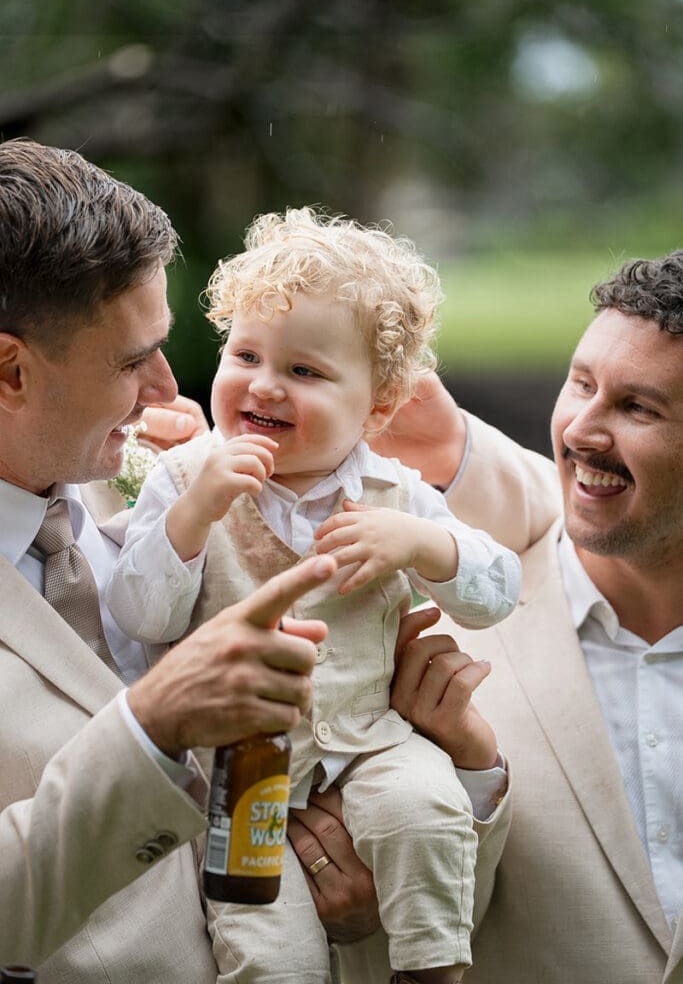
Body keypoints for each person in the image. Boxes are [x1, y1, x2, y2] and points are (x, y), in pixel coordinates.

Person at [106, 207, 521, 984]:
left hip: (372, 743)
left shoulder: (392, 491)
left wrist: (425, 545)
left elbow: (495, 592)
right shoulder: (184, 478)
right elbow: (142, 616)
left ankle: (432, 971)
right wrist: (193, 517)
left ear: (379, 407)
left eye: (304, 372)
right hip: (239, 771)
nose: (263, 385)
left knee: (424, 816)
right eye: (246, 354)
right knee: (267, 945)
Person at [0, 138, 346, 979]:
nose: (165, 388)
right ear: (10, 369)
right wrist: (150, 725)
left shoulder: (152, 481)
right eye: (130, 360)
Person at [306, 251, 683, 983]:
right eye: (579, 385)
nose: (580, 431)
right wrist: (367, 913)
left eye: (637, 407)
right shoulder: (424, 638)